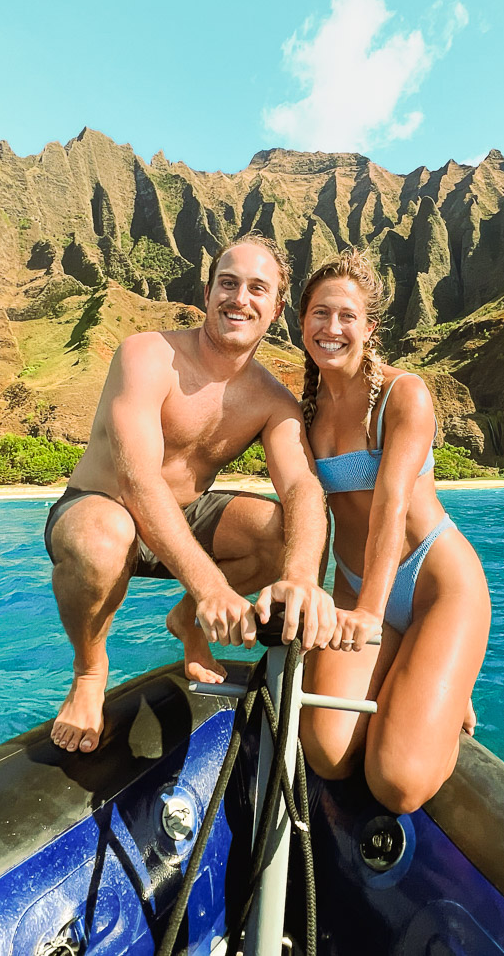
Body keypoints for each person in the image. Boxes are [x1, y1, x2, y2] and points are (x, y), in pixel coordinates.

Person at [44, 234, 337, 753]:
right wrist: (211, 589)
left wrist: (299, 579)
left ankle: (185, 623)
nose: (238, 298)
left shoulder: (271, 400)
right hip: (102, 506)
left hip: (185, 515)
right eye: (227, 283)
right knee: (104, 535)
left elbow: (303, 489)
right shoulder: (147, 354)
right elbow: (137, 480)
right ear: (207, 292)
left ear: (277, 308)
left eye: (256, 288)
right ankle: (89, 672)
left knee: (282, 532)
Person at [296, 248, 491, 814]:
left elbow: (391, 506)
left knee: (396, 783)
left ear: (369, 327)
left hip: (437, 588)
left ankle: (441, 678)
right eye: (320, 314)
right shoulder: (302, 411)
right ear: (302, 321)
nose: (332, 329)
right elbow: (309, 513)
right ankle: (418, 670)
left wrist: (370, 618)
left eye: (347, 316)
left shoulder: (404, 396)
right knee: (328, 754)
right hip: (356, 587)